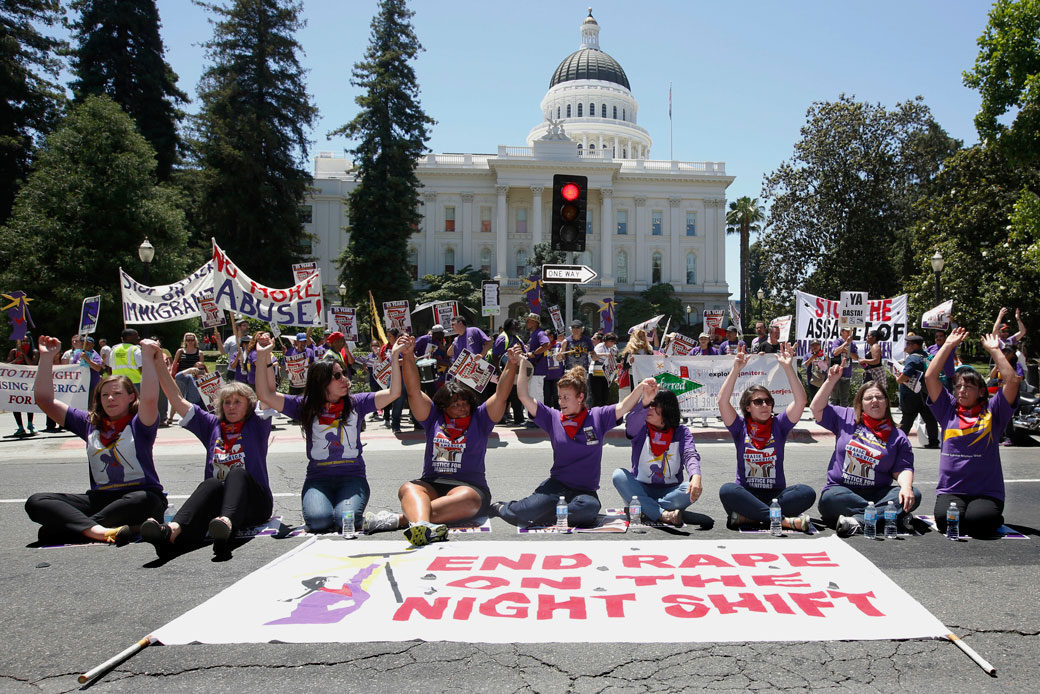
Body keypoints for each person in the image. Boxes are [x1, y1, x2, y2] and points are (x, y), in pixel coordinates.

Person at [364, 340, 524, 545]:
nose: (463, 408)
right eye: (456, 405)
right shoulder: (433, 417)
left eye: (465, 403)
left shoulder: (480, 418)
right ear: (443, 407)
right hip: (432, 484)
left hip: (469, 488)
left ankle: (403, 520)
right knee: (408, 488)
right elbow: (413, 391)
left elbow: (501, 396)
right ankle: (423, 527)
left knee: (467, 498)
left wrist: (511, 364)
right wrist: (409, 355)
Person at [253, 332, 404, 533]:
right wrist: (263, 356)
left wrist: (394, 357)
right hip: (318, 479)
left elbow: (394, 393)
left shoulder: (356, 403)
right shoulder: (305, 406)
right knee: (319, 522)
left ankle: (363, 513)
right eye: (337, 375)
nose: (344, 379)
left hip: (353, 478)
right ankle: (329, 505)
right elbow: (265, 395)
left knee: (344, 521)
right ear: (321, 382)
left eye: (343, 373)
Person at [25, 335, 165, 544]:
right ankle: (99, 531)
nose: (110, 398)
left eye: (117, 394)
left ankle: (71, 529)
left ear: (131, 397)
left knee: (144, 500)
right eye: (104, 395)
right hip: (100, 499)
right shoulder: (89, 423)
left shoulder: (140, 423)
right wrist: (46, 358)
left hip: (139, 497)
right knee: (37, 502)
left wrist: (146, 357)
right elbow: (44, 401)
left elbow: (151, 398)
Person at [140, 342, 275, 555]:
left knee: (237, 473)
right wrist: (158, 364)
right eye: (227, 402)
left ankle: (226, 525)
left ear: (248, 405)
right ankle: (171, 530)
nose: (231, 406)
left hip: (254, 503)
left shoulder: (257, 424)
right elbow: (177, 399)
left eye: (237, 402)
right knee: (211, 483)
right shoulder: (211, 424)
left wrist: (263, 356)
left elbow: (267, 393)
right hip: (219, 504)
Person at [492, 360, 648, 528]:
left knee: (589, 509)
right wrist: (523, 363)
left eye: (566, 397)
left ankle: (547, 516)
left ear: (580, 397)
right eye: (559, 397)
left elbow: (624, 406)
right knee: (524, 511)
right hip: (555, 487)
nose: (561, 402)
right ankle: (501, 507)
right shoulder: (552, 417)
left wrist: (641, 387)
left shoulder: (597, 416)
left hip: (584, 492)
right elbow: (523, 396)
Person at [926, 328, 1018, 537]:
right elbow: (931, 377)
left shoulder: (993, 411)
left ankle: (991, 514)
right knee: (946, 522)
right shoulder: (947, 409)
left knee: (978, 524)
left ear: (982, 391)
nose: (961, 390)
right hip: (952, 490)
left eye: (968, 386)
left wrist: (995, 350)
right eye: (958, 386)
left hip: (986, 492)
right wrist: (948, 346)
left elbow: (1012, 381)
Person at [811, 362, 921, 537]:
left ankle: (858, 521)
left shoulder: (898, 435)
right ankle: (888, 515)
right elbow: (816, 409)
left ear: (887, 402)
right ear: (860, 404)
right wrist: (830, 381)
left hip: (878, 493)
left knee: (912, 494)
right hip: (842, 491)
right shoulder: (846, 416)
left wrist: (906, 487)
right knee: (830, 500)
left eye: (879, 397)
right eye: (869, 398)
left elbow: (903, 469)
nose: (874, 401)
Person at [717, 343, 815, 532]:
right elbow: (722, 401)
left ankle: (753, 518)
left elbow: (801, 401)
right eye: (758, 401)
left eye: (768, 401)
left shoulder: (779, 424)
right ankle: (783, 521)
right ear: (747, 407)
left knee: (807, 493)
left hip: (777, 496)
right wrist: (736, 369)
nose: (764, 405)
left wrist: (788, 367)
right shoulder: (740, 427)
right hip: (746, 495)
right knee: (727, 490)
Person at [612, 381, 702, 527]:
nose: (649, 409)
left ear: (667, 410)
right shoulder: (641, 427)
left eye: (654, 405)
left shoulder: (681, 432)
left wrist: (696, 476)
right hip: (641, 488)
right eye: (649, 405)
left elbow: (690, 454)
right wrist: (644, 401)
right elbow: (630, 423)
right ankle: (663, 513)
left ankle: (645, 509)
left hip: (670, 491)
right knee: (618, 475)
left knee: (689, 489)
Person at [897, 335, 939, 448]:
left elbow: (906, 375)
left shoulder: (912, 358)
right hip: (926, 393)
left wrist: (898, 380)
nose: (906, 346)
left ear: (914, 345)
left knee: (907, 418)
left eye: (908, 344)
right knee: (929, 418)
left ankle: (899, 442)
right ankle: (934, 442)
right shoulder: (927, 356)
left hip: (911, 395)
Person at [8, 334, 38, 435]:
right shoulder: (13, 352)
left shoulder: (34, 352)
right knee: (15, 403)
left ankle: (30, 424)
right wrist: (16, 360)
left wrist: (24, 354)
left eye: (27, 341)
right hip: (16, 383)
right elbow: (6, 366)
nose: (25, 343)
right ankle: (20, 427)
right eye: (22, 341)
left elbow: (33, 366)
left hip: (28, 382)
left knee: (28, 402)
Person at [522, 313, 551, 416]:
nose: (526, 323)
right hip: (533, 370)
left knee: (536, 395)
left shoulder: (540, 333)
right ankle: (532, 417)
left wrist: (533, 353)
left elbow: (547, 344)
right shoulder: (534, 334)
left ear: (535, 322)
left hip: (537, 370)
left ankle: (539, 418)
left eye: (528, 321)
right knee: (531, 394)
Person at [171, 332, 205, 416]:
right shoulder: (180, 351)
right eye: (188, 340)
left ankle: (190, 414)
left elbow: (201, 366)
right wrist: (172, 374)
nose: (190, 342)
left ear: (195, 341)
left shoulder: (199, 353)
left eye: (192, 340)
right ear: (185, 341)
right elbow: (175, 363)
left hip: (194, 377)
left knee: (193, 397)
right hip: (182, 376)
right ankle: (171, 417)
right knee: (178, 396)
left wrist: (201, 376)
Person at [829, 328, 859, 407]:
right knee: (833, 398)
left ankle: (844, 416)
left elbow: (856, 357)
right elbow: (835, 352)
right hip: (836, 373)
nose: (849, 333)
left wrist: (847, 351)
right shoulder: (838, 341)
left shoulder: (853, 344)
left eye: (850, 331)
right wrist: (846, 343)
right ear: (842, 332)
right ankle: (830, 417)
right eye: (847, 331)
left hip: (846, 373)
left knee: (844, 398)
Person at [590, 332, 618, 407]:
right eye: (611, 341)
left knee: (605, 395)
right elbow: (594, 355)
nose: (613, 343)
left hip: (605, 374)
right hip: (596, 374)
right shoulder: (600, 346)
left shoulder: (611, 348)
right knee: (597, 395)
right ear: (607, 341)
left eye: (614, 342)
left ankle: (603, 411)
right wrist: (604, 354)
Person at [543, 328, 563, 410]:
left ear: (551, 336)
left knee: (556, 398)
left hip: (557, 376)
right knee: (546, 398)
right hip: (546, 376)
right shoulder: (543, 347)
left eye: (545, 335)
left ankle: (557, 416)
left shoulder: (559, 345)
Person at [803, 339, 829, 403]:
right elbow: (803, 365)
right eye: (813, 345)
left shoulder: (823, 355)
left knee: (823, 398)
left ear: (820, 346)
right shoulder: (808, 355)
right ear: (810, 346)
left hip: (822, 379)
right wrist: (811, 358)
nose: (815, 346)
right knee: (814, 398)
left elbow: (827, 365)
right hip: (812, 380)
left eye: (817, 345)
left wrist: (826, 359)